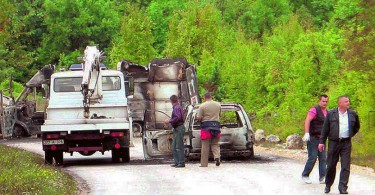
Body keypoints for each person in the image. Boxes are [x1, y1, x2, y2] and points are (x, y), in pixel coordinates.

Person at [318, 95, 360, 194]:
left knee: (345, 166)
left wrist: (349, 134)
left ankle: (343, 187)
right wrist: (321, 142)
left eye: (348, 101)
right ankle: (328, 185)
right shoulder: (331, 113)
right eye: (346, 101)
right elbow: (325, 129)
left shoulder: (353, 114)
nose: (348, 103)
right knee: (331, 165)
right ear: (340, 103)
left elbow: (357, 127)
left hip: (346, 143)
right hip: (333, 142)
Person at [301, 95, 329, 184]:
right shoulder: (314, 110)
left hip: (322, 139)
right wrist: (307, 133)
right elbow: (307, 120)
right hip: (313, 138)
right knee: (312, 157)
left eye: (326, 101)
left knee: (323, 158)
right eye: (323, 101)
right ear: (319, 101)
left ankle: (322, 177)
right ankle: (305, 175)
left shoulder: (327, 112)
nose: (325, 103)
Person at [196, 92, 221, 167]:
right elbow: (219, 115)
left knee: (205, 145)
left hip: (206, 128)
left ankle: (204, 164)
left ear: (204, 98)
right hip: (216, 127)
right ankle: (217, 157)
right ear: (211, 97)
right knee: (215, 144)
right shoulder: (218, 105)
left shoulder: (202, 106)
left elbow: (199, 118)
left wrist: (198, 119)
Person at [165, 95, 185, 168]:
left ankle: (181, 162)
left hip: (179, 128)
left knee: (179, 146)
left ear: (171, 101)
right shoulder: (177, 107)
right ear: (177, 100)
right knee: (174, 146)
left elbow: (178, 117)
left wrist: (169, 121)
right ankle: (177, 162)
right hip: (177, 128)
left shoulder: (176, 108)